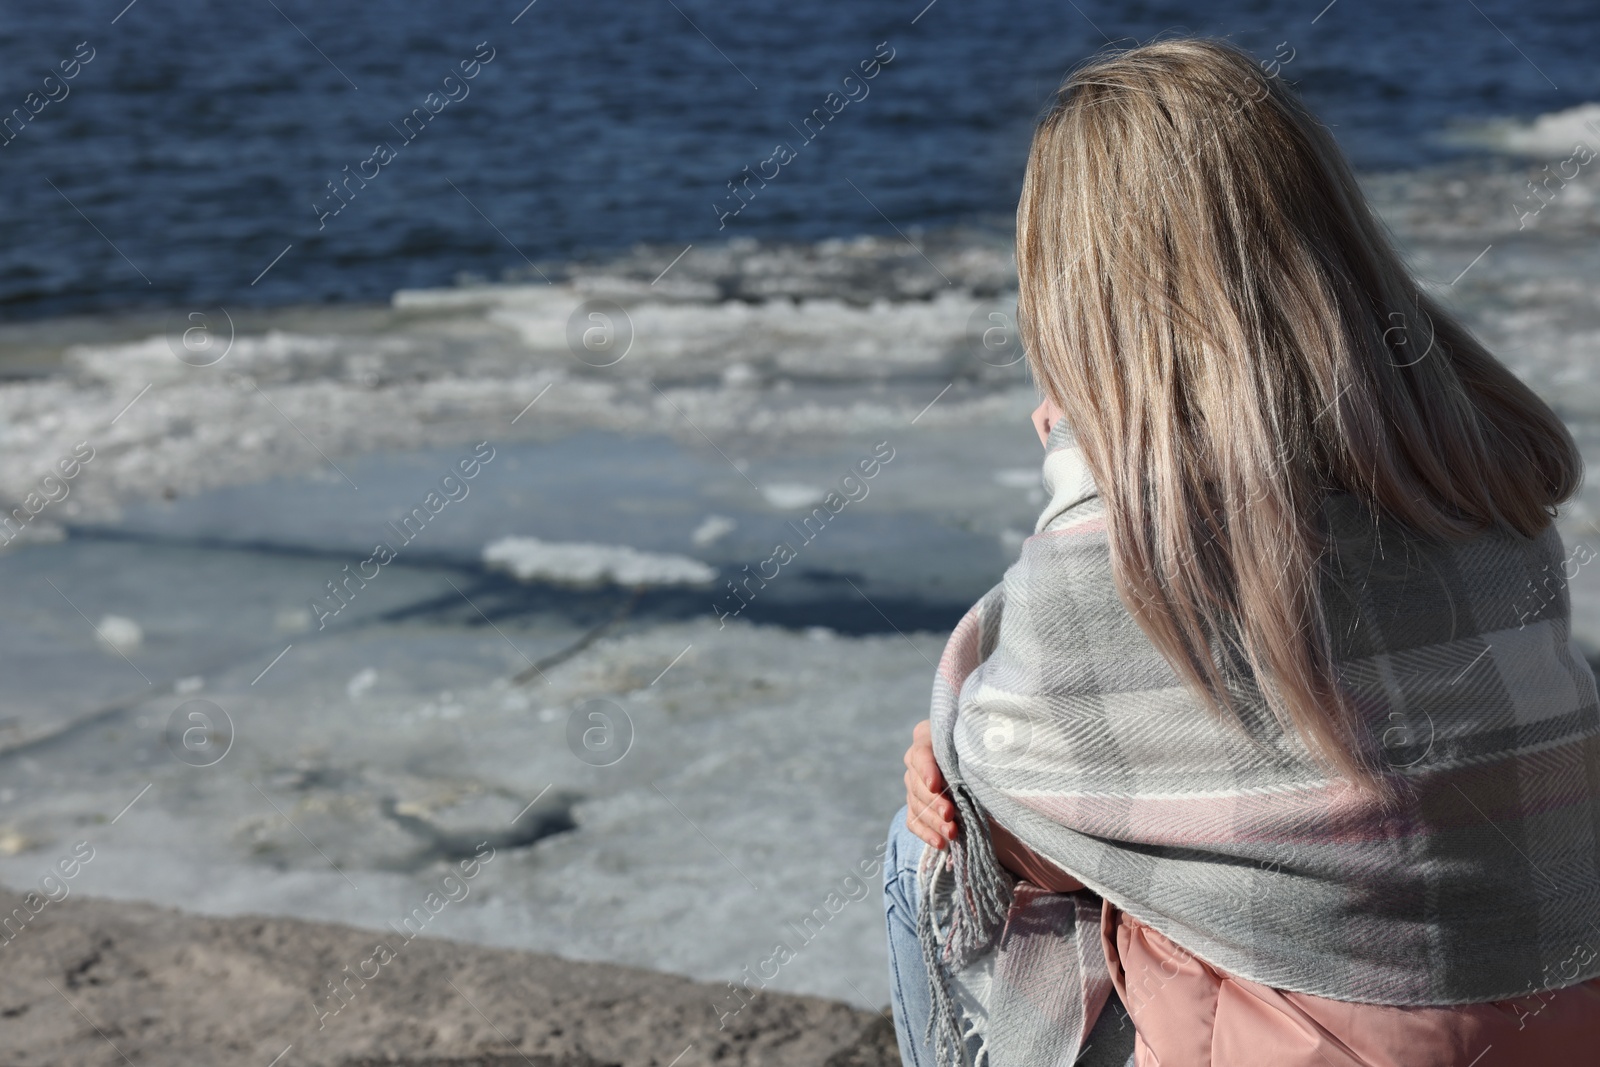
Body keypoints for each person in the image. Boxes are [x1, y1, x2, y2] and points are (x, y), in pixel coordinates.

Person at [883, 36, 1600, 1067]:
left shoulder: (1115, 553)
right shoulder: (1479, 487)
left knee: (925, 851)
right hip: (1555, 1021)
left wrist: (1083, 479)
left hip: (1315, 1045)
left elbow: (1014, 846)